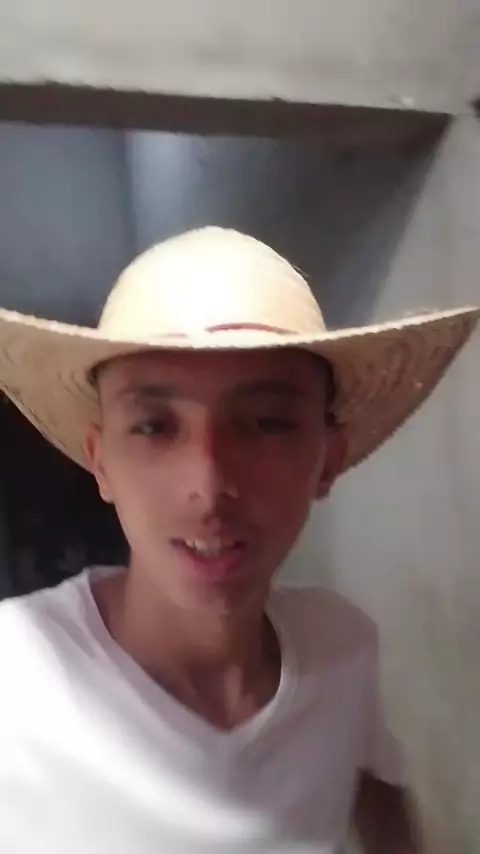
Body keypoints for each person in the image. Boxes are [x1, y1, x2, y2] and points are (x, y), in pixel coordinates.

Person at [0, 227, 477, 854]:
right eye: (155, 426)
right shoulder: (17, 676)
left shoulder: (340, 645)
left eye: (267, 423)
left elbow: (374, 788)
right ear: (101, 462)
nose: (209, 485)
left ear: (327, 460)